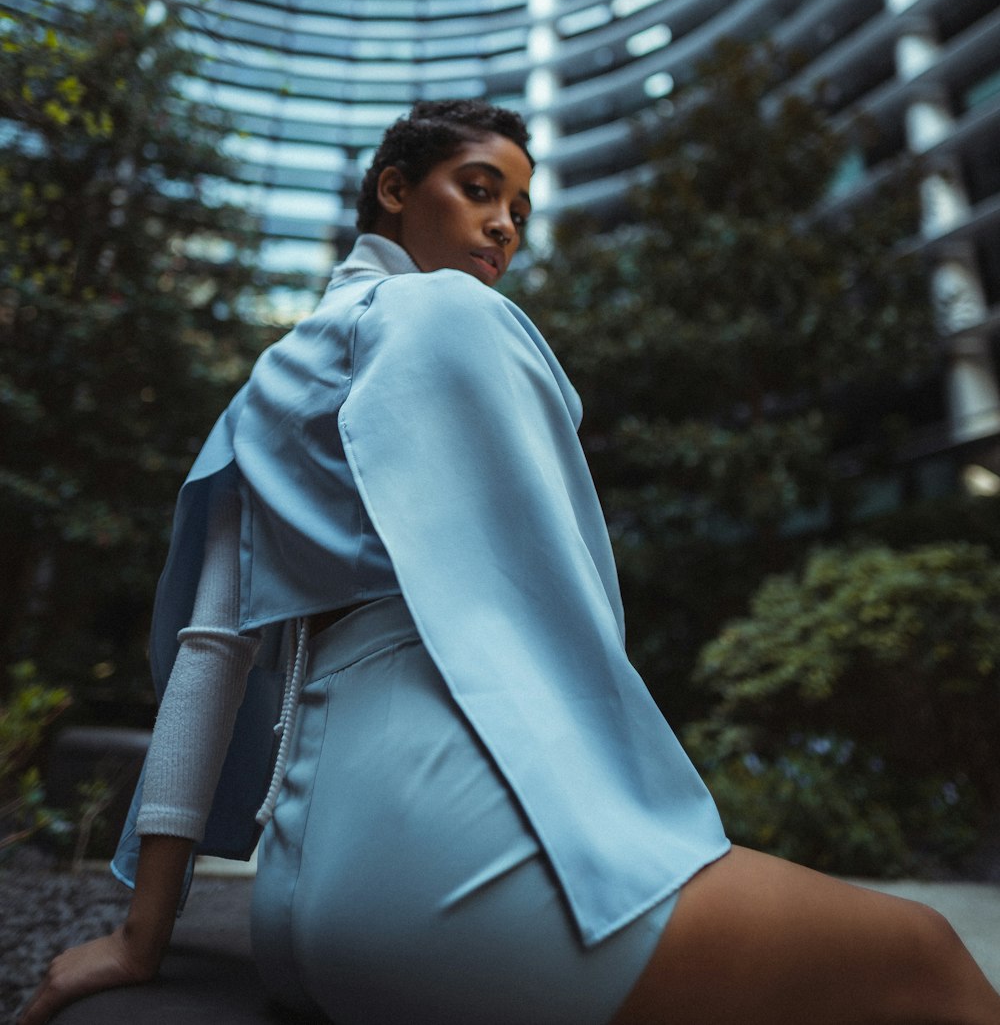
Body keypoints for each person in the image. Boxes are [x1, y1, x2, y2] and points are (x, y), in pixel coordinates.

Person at [21, 99, 1000, 1025]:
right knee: (924, 958)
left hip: (304, 901)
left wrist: (143, 937)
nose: (504, 229)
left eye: (520, 210)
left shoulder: (272, 384)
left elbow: (212, 652)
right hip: (453, 852)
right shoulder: (445, 316)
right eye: (478, 189)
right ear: (395, 190)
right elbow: (562, 611)